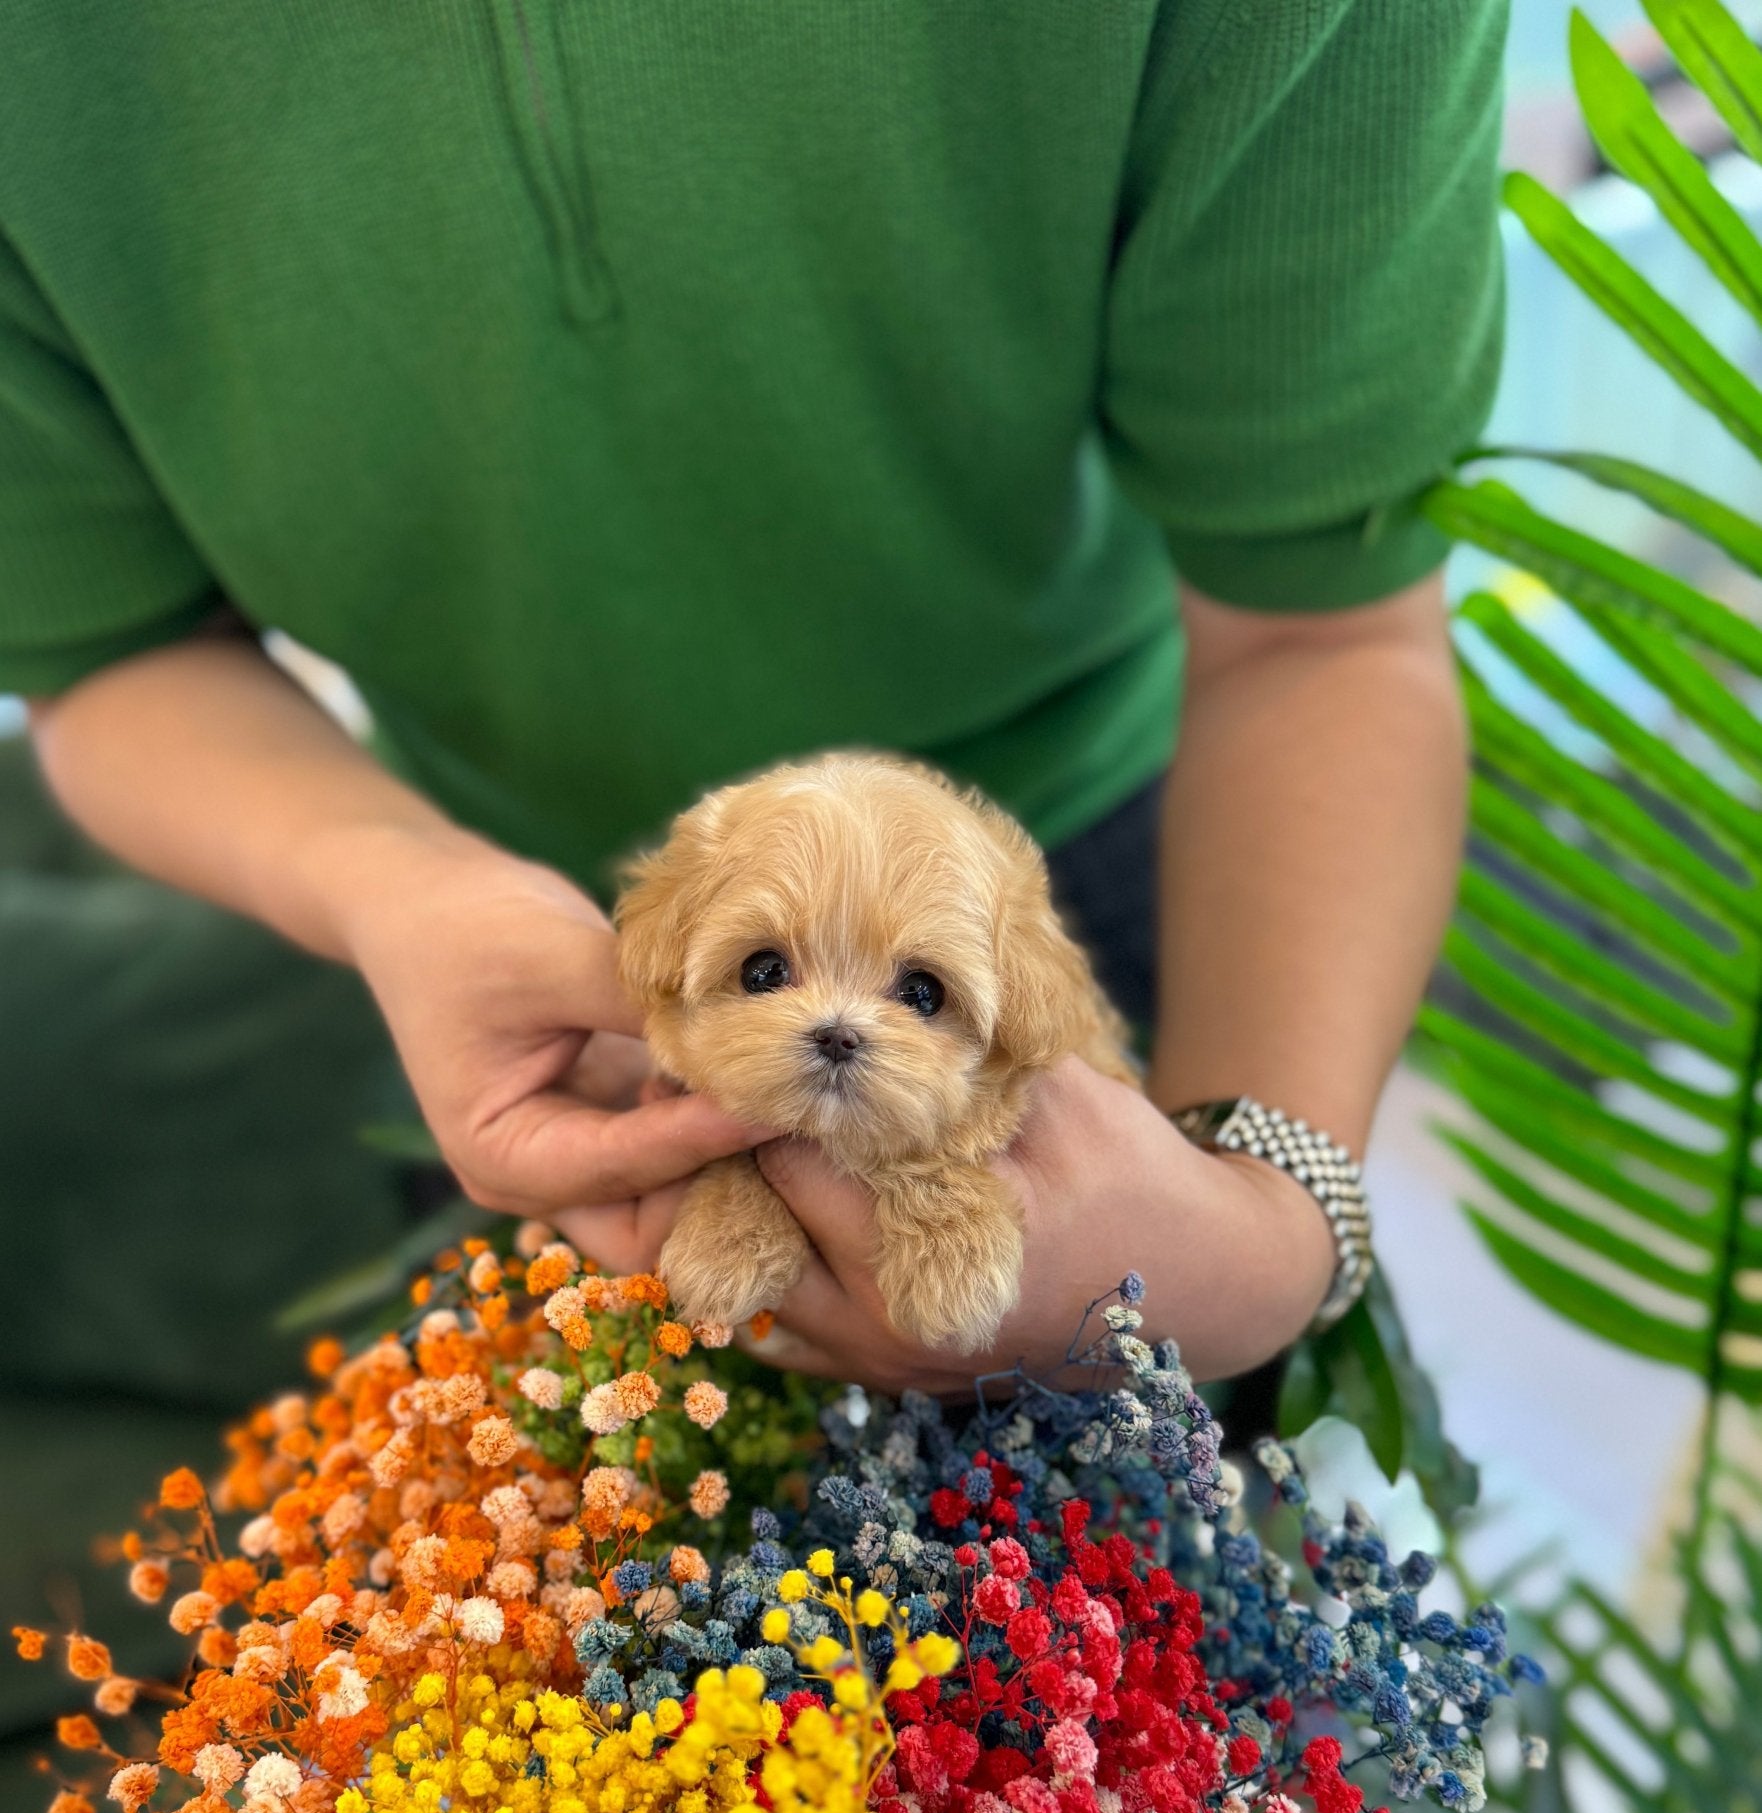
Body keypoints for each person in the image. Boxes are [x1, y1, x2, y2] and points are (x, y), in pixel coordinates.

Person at [5, 0, 1507, 1396]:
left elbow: (1324, 625)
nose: (842, 1025)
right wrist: (392, 884)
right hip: (483, 929)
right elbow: (104, 647)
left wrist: (1265, 1231)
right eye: (787, 972)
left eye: (908, 997)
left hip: (1147, 845)